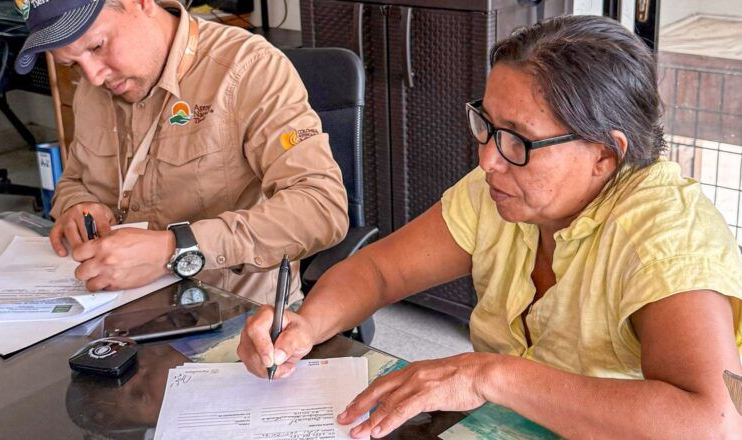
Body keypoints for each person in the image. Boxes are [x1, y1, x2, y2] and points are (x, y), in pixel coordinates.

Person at [237, 15, 742, 438]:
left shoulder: (667, 238)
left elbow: (714, 421)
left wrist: (493, 375)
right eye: (487, 125)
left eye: (518, 139)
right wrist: (305, 324)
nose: (487, 158)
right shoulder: (501, 192)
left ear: (605, 156)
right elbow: (379, 272)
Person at [14, 0, 348, 304]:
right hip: (122, 307)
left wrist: (174, 249)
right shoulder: (93, 88)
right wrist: (78, 206)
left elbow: (321, 207)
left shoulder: (250, 69)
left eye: (98, 46)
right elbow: (74, 179)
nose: (93, 76)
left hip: (236, 319)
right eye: (72, 64)